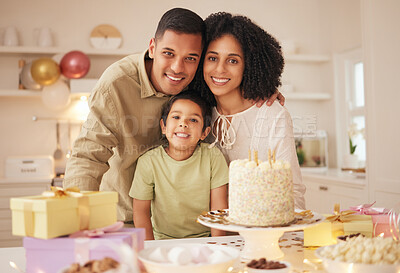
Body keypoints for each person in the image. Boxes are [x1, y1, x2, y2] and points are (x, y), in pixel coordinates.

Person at [63, 7, 284, 224]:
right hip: (129, 218)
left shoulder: (199, 78)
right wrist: (77, 221)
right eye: (168, 54)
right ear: (152, 48)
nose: (177, 68)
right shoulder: (116, 84)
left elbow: (227, 77)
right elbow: (88, 157)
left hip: (189, 226)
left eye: (191, 58)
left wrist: (262, 88)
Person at [191, 12, 306, 209]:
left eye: (233, 60)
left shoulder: (273, 115)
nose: (219, 69)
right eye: (212, 58)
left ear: (250, 66)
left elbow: (293, 191)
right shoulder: (197, 112)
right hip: (205, 235)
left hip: (260, 233)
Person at [129, 90, 228, 240]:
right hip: (163, 240)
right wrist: (149, 248)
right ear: (163, 126)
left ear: (204, 132)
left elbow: (218, 208)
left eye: (193, 120)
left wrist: (218, 245)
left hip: (205, 239)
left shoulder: (213, 157)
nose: (183, 123)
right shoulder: (148, 162)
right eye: (176, 117)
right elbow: (141, 212)